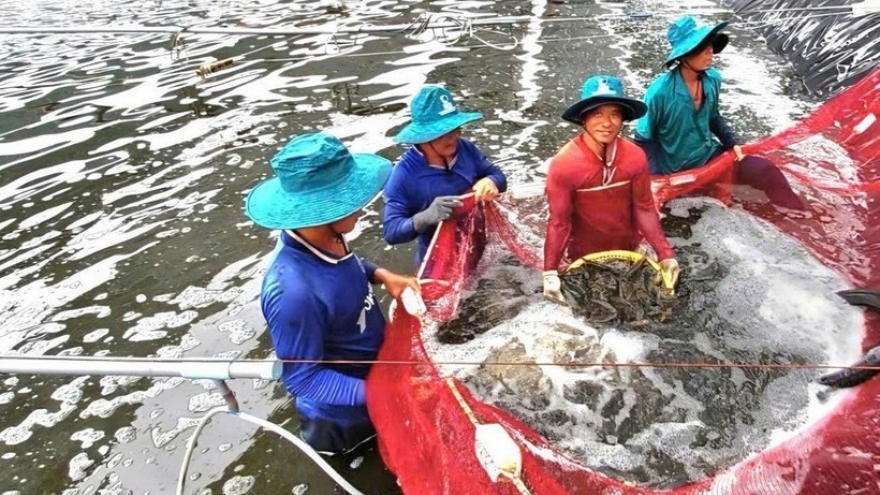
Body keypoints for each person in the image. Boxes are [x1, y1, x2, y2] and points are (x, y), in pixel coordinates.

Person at [245, 132, 420, 455]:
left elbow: (347, 266)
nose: (362, 206)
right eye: (349, 200)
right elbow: (303, 380)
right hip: (342, 423)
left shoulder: (328, 235)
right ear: (317, 212)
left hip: (377, 381)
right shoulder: (292, 293)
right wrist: (385, 392)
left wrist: (382, 275)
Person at [634, 15, 805, 210]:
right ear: (684, 54)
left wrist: (732, 142)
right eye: (702, 47)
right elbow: (643, 140)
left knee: (766, 170)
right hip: (675, 169)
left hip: (710, 157)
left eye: (711, 45)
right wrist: (657, 179)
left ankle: (799, 217)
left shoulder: (713, 79)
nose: (710, 52)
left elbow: (713, 117)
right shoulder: (659, 92)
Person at [543, 75, 680, 304]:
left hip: (629, 254)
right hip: (581, 259)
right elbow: (559, 222)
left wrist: (665, 254)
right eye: (597, 114)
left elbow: (644, 208)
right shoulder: (564, 165)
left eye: (614, 114)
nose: (606, 123)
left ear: (623, 119)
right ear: (583, 118)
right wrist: (550, 272)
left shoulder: (635, 157)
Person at [383, 84, 508, 268]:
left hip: (477, 246)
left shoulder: (465, 149)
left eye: (456, 129)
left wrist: (490, 181)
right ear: (424, 137)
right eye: (445, 132)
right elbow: (391, 232)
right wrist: (425, 217)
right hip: (440, 263)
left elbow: (496, 175)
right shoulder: (403, 175)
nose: (454, 136)